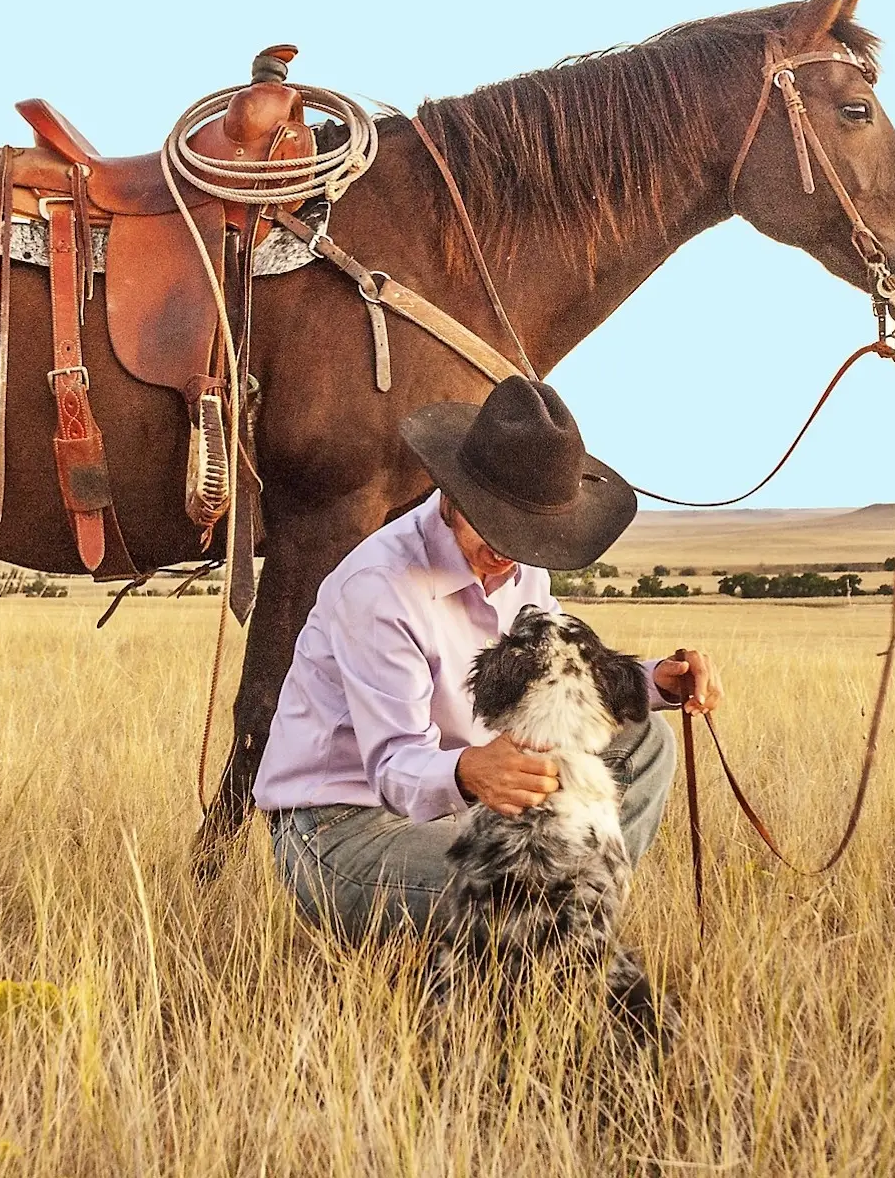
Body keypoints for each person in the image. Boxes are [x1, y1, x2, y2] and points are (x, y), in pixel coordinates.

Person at [254, 376, 723, 941]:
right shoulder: (381, 588)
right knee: (528, 891)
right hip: (343, 829)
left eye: (527, 535)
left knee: (647, 743)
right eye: (495, 525)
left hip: (469, 797)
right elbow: (394, 769)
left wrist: (658, 683)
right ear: (453, 494)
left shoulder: (523, 566)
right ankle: (550, 941)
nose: (506, 553)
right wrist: (468, 771)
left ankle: (576, 919)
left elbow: (553, 680)